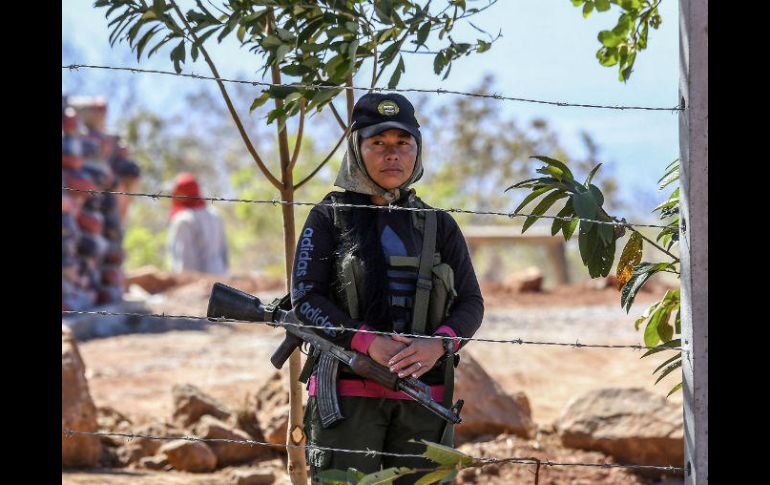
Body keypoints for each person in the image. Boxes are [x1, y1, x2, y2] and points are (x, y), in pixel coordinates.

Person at [290, 93, 484, 484]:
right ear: (356, 149)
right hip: (345, 400)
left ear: (417, 149)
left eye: (403, 143)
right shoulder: (329, 217)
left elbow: (471, 303)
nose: (392, 154)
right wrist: (366, 342)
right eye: (377, 143)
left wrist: (438, 345)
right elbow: (306, 299)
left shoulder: (439, 225)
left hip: (424, 398)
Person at [166, 172, 229, 275]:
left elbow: (185, 263)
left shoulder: (183, 220)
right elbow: (224, 254)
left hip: (196, 282)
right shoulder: (215, 215)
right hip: (220, 278)